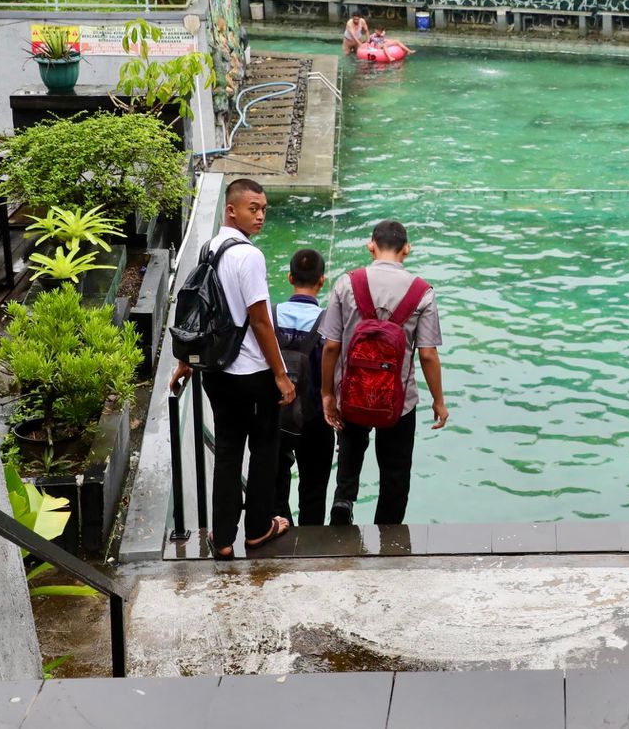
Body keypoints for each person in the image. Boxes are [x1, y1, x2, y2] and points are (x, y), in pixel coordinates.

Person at [170, 179, 296, 559]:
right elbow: (260, 320)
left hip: (216, 372)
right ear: (231, 209)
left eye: (263, 210)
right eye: (253, 208)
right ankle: (258, 529)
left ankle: (222, 538)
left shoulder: (210, 248)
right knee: (263, 450)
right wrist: (280, 374)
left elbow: (196, 309)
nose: (260, 216)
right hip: (252, 375)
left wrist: (185, 361)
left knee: (227, 452)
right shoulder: (250, 256)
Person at [319, 219, 447, 526]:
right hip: (399, 401)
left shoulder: (347, 283)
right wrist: (438, 401)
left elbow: (332, 346)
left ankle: (343, 500)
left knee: (350, 454)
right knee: (395, 471)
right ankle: (387, 531)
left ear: (371, 245)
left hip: (353, 392)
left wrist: (328, 393)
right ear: (407, 249)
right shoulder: (422, 292)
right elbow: (428, 354)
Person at [273, 248, 333, 527]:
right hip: (316, 418)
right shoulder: (328, 321)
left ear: (289, 277)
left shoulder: (271, 317)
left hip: (277, 414)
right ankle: (311, 539)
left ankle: (280, 528)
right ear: (322, 280)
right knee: (314, 488)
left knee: (276, 481)